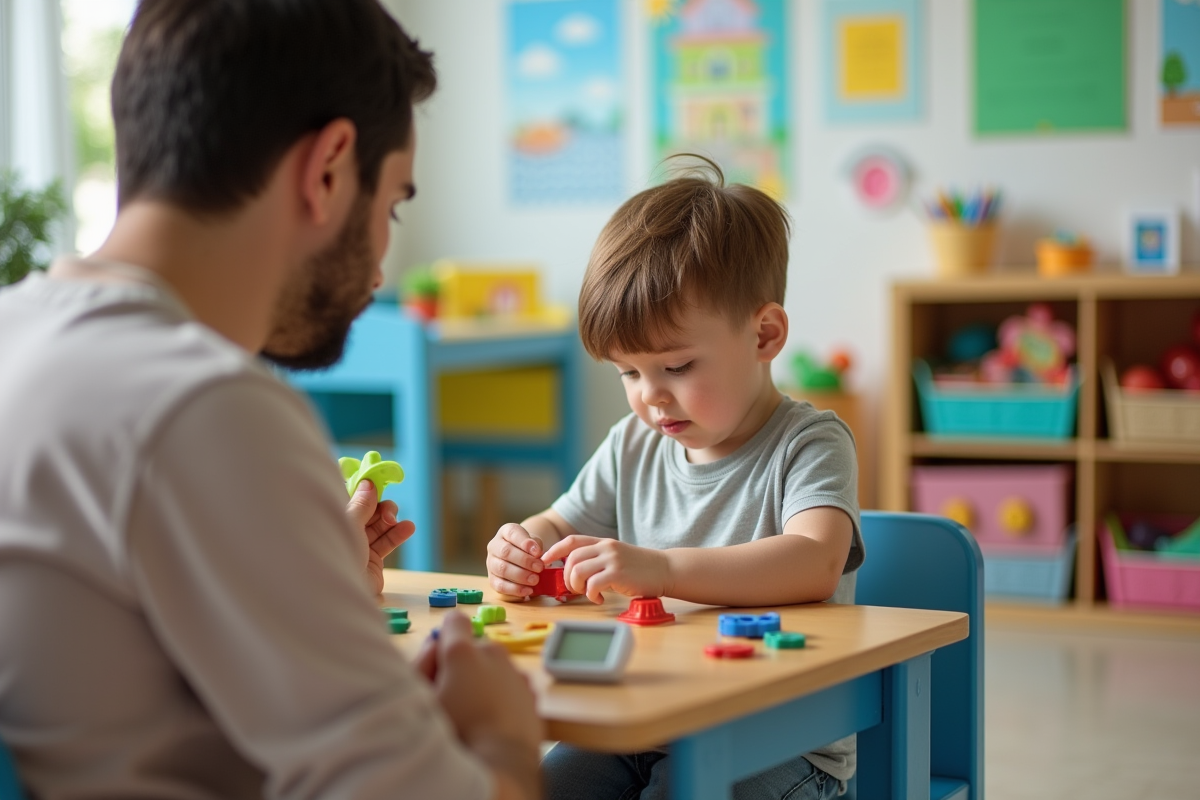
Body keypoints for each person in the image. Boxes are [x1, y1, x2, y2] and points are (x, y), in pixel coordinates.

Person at [0, 2, 541, 798]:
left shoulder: (19, 334)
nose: (384, 262)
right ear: (328, 168)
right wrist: (502, 734)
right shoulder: (204, 405)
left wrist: (312, 581)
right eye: (391, 205)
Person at [485, 159, 865, 800]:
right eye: (628, 373)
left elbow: (814, 561)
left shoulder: (810, 442)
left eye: (677, 365)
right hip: (642, 722)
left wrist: (660, 570)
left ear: (765, 334)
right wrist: (520, 545)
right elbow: (559, 523)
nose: (651, 398)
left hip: (776, 742)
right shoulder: (633, 443)